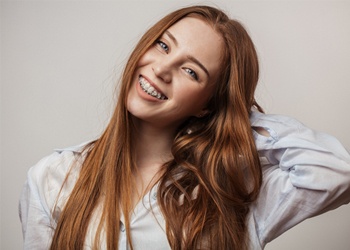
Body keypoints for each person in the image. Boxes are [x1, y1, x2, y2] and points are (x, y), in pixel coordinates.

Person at [19, 5, 350, 250]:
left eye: (191, 71)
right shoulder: (53, 178)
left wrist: (231, 119)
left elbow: (336, 171)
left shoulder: (232, 191)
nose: (161, 68)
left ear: (207, 103)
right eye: (163, 46)